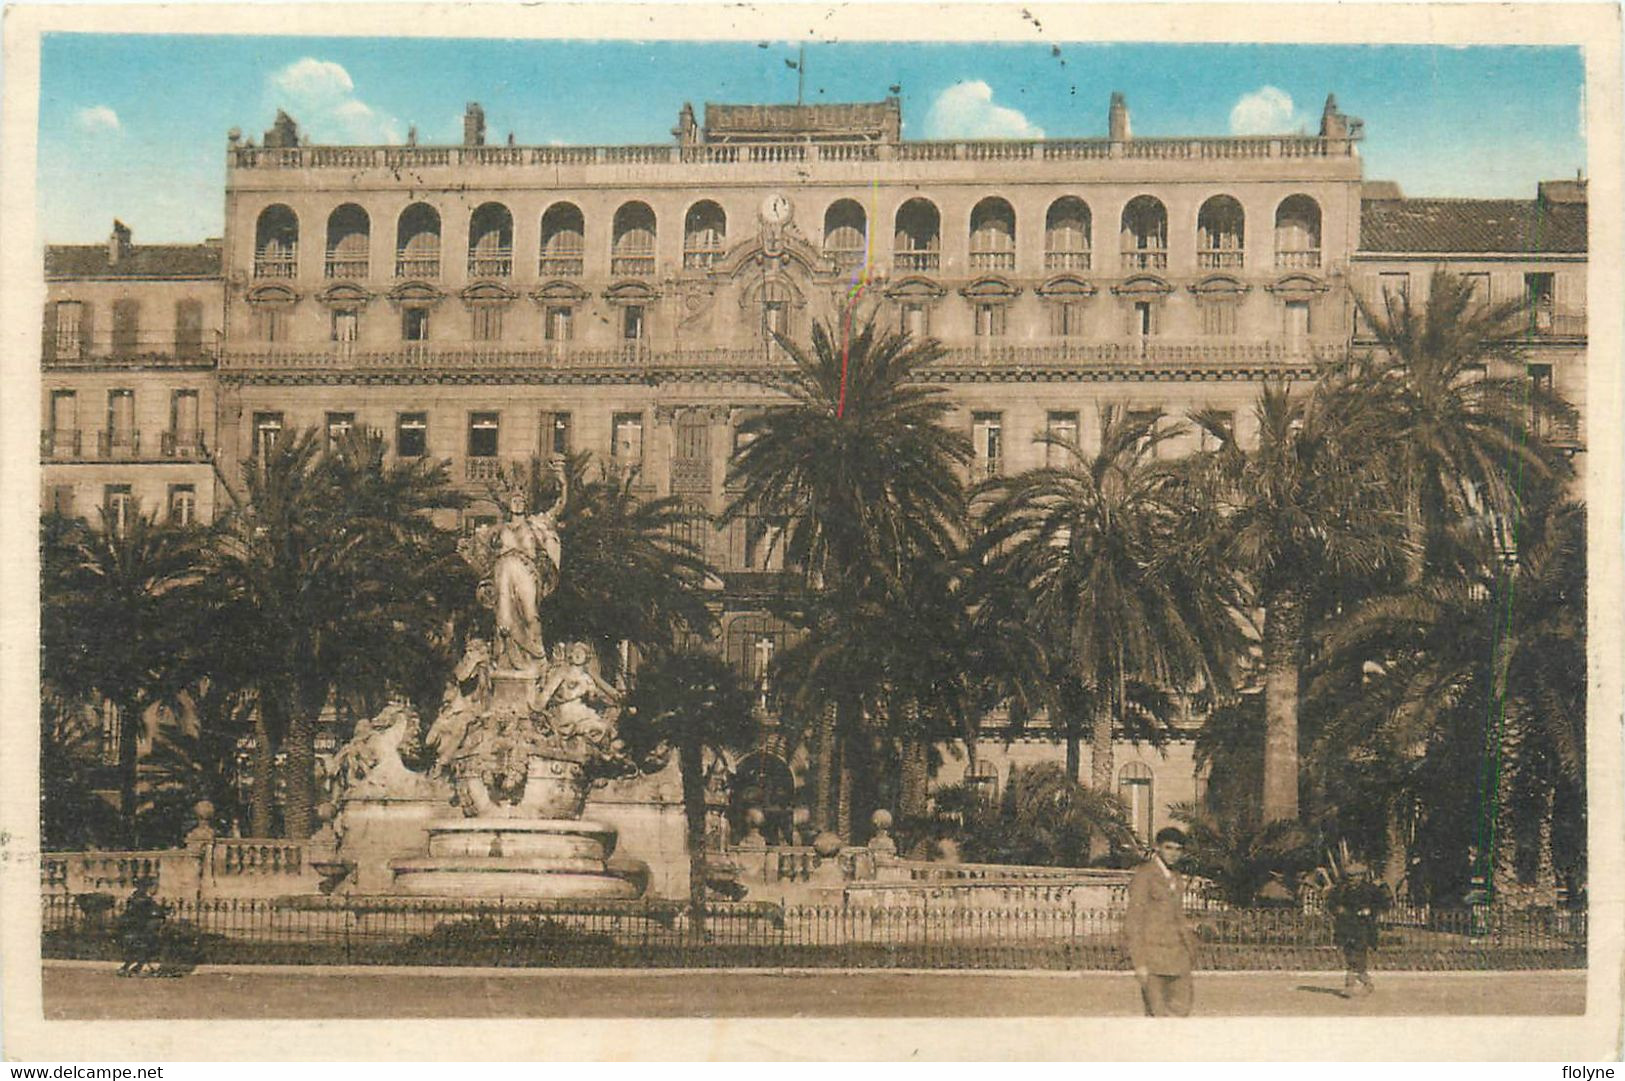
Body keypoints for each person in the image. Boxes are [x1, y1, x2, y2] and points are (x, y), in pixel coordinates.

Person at [488, 459, 567, 671]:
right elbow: (485, 552)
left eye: (521, 500)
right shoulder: (499, 529)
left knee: (531, 615)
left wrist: (563, 481)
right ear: (508, 503)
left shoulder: (535, 524)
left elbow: (559, 506)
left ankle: (538, 658)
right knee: (504, 617)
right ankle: (506, 660)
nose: (517, 503)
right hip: (504, 573)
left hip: (527, 571)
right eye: (514, 499)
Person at [1124, 826, 1199, 1016]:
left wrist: (1190, 951)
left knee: (1181, 1013)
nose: (1173, 853)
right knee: (1158, 1020)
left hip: (1179, 959)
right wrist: (1139, 963)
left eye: (1178, 849)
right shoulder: (1145, 875)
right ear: (1158, 848)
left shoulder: (1176, 878)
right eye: (1169, 848)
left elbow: (1178, 916)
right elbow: (1134, 920)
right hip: (1153, 959)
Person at [1326, 863, 1392, 997]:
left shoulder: (1370, 889)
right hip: (1345, 926)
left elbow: (1385, 904)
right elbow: (1331, 903)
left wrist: (1370, 910)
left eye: (1355, 876)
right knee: (1349, 954)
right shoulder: (1341, 889)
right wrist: (1337, 909)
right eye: (1350, 876)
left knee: (1358, 955)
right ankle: (1366, 983)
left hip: (1364, 927)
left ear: (1361, 876)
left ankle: (1350, 986)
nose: (1352, 879)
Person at [116, 879, 166, 977]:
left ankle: (134, 966)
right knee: (142, 945)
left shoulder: (139, 897)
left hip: (139, 927)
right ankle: (137, 967)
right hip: (139, 927)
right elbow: (145, 912)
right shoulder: (143, 899)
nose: (155, 889)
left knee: (140, 947)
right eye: (153, 887)